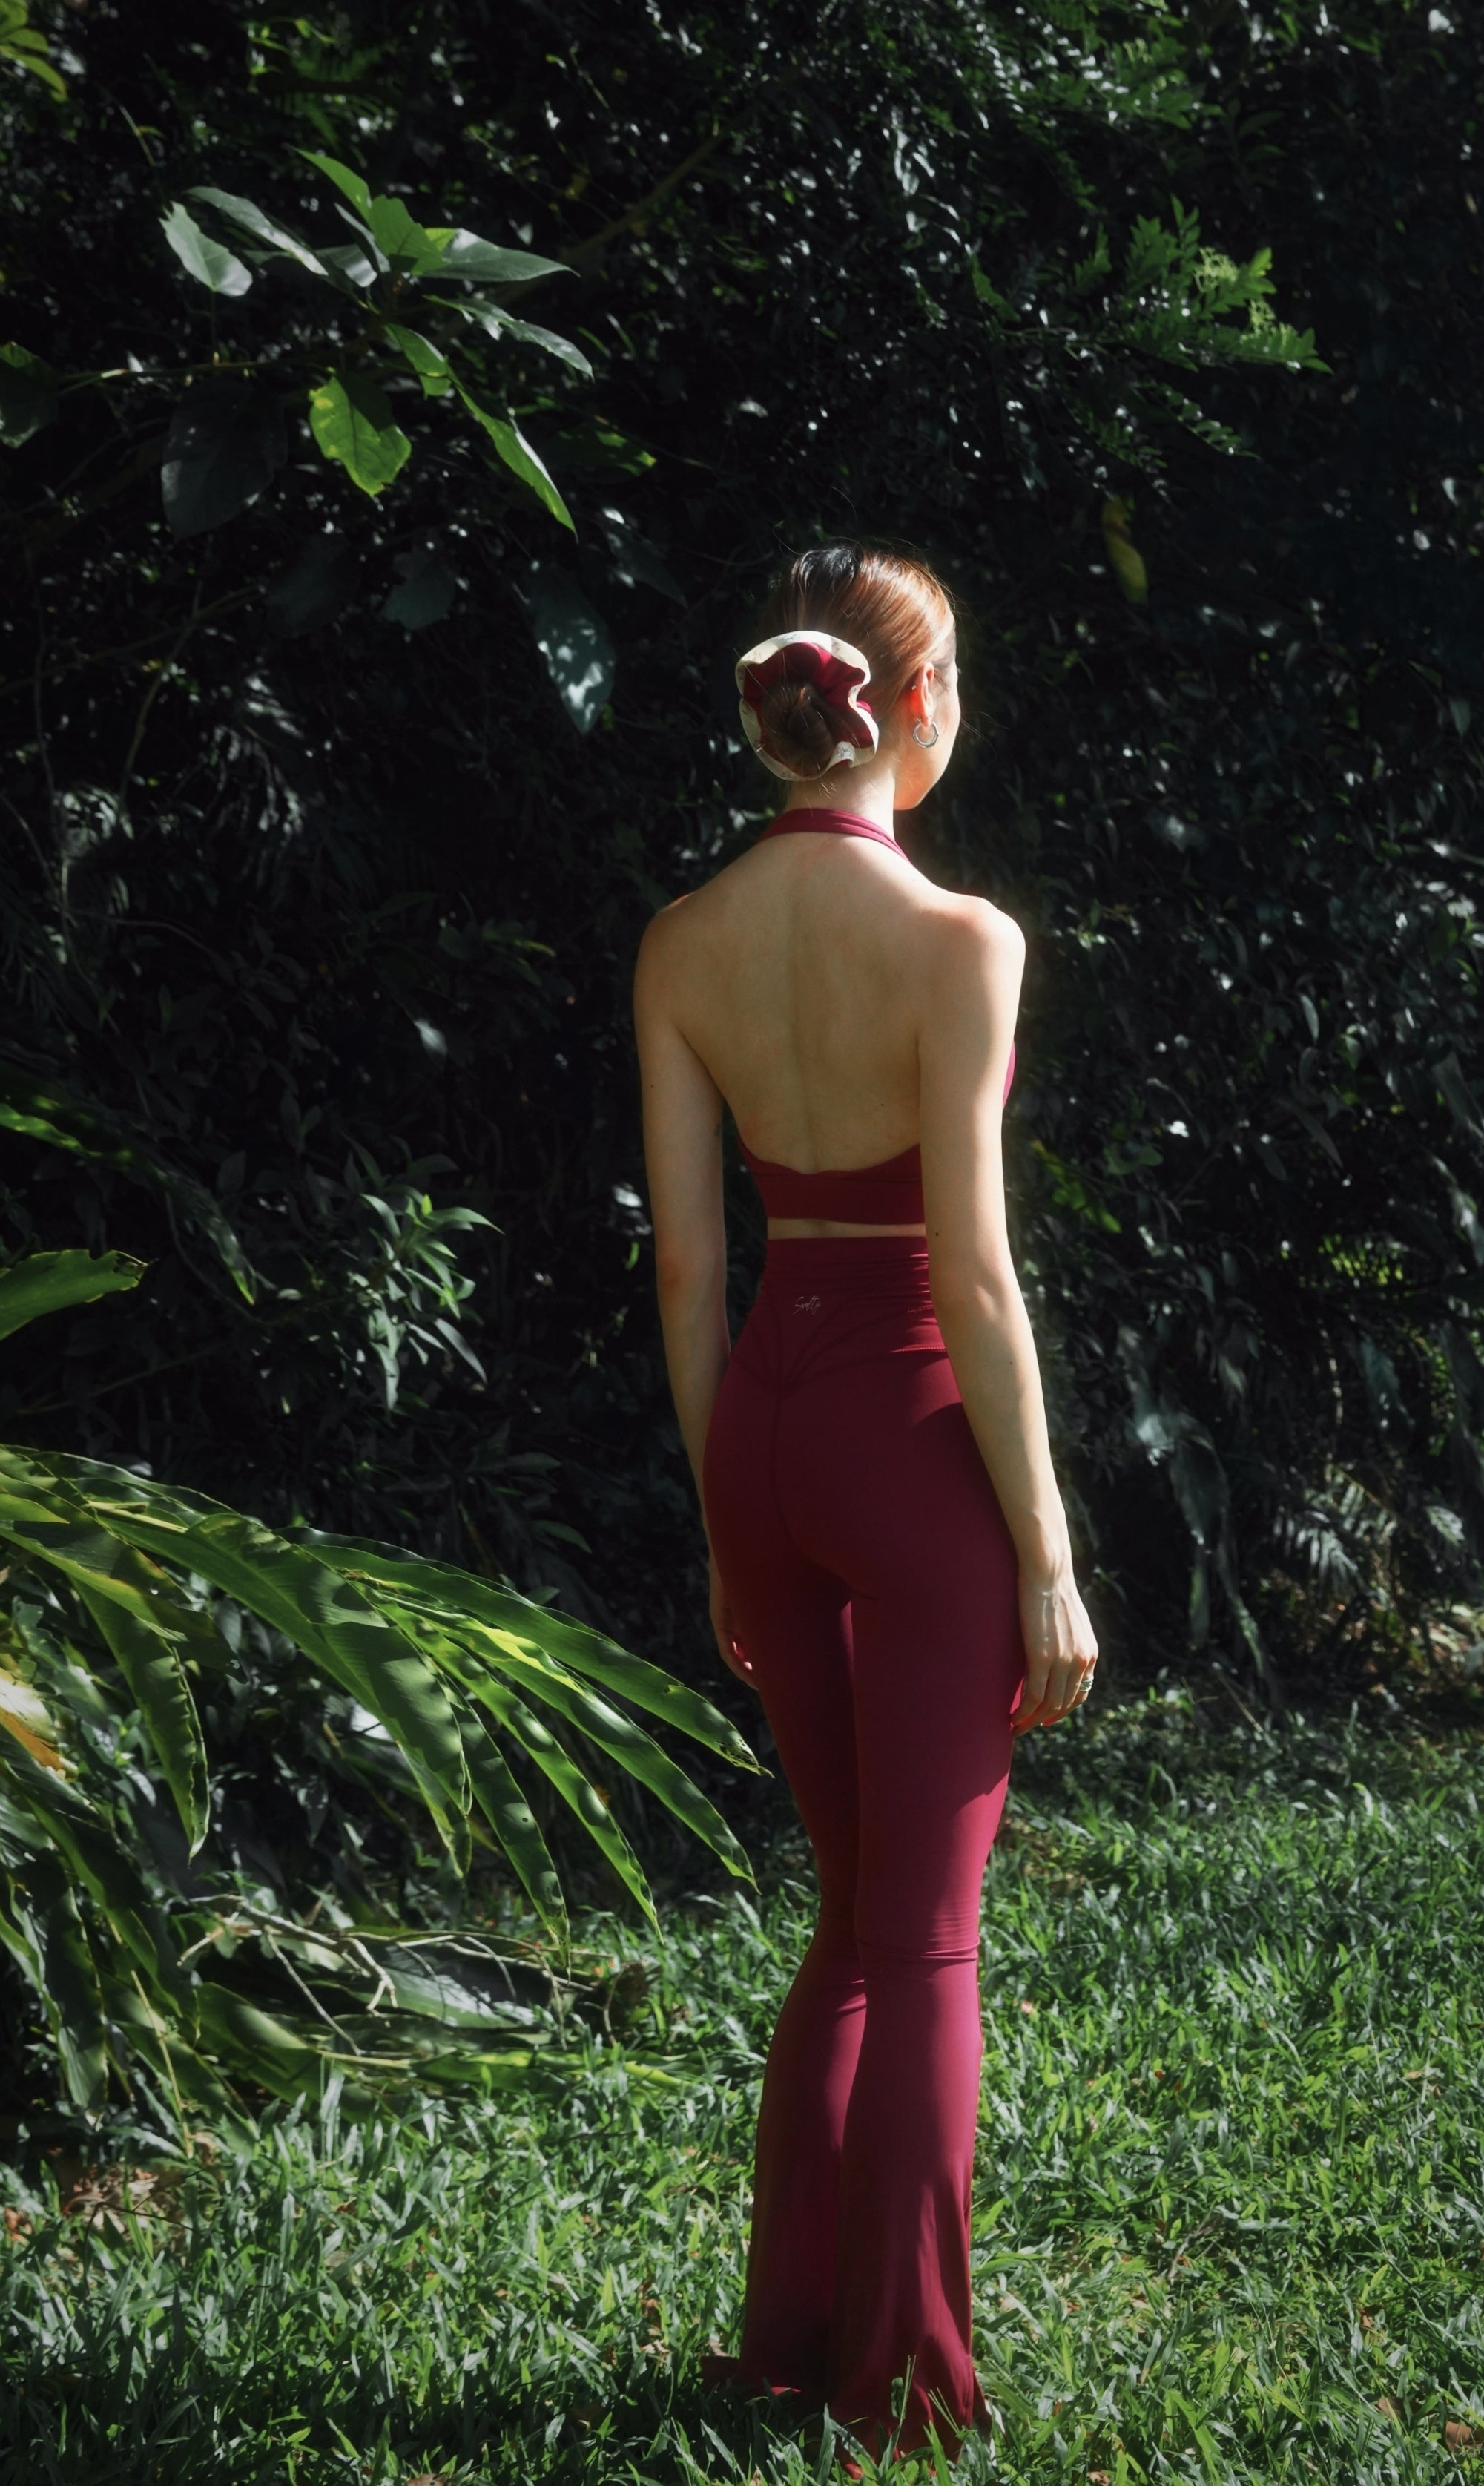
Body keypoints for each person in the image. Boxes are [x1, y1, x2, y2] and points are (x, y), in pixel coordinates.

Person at [633, 541, 1099, 2457]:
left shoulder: (681, 943)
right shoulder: (963, 943)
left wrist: (723, 1522)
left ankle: (785, 2341)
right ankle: (903, 2389)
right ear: (909, 710)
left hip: (763, 1428)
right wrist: (1047, 1556)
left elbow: (690, 1273)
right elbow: (975, 1278)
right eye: (956, 676)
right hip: (909, 1435)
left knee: (846, 1912)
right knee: (921, 1939)